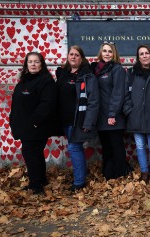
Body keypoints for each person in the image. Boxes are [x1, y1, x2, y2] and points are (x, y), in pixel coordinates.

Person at [9, 52, 57, 194]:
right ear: (26, 64)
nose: (33, 64)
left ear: (41, 64)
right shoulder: (24, 81)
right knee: (35, 153)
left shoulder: (46, 80)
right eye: (30, 62)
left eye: (36, 61)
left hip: (37, 126)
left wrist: (35, 122)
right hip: (25, 126)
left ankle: (36, 186)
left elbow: (47, 104)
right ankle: (41, 179)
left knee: (31, 153)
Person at [56, 46, 99, 191]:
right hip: (64, 120)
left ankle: (79, 182)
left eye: (77, 55)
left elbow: (93, 101)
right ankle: (79, 176)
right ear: (68, 56)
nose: (73, 57)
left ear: (82, 58)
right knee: (75, 148)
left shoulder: (88, 76)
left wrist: (88, 122)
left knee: (74, 148)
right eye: (71, 54)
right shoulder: (63, 74)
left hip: (78, 120)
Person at [123, 44, 150, 185]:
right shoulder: (131, 73)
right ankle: (144, 173)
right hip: (136, 116)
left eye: (147, 53)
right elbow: (126, 94)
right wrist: (129, 110)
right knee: (140, 146)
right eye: (141, 54)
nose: (144, 56)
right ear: (138, 57)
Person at [91, 41, 132, 180]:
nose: (107, 54)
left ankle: (120, 174)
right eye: (104, 51)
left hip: (113, 116)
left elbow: (118, 93)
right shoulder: (98, 70)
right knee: (106, 147)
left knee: (116, 147)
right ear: (100, 53)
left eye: (110, 51)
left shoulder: (117, 69)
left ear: (114, 53)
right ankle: (109, 175)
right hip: (100, 116)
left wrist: (112, 114)